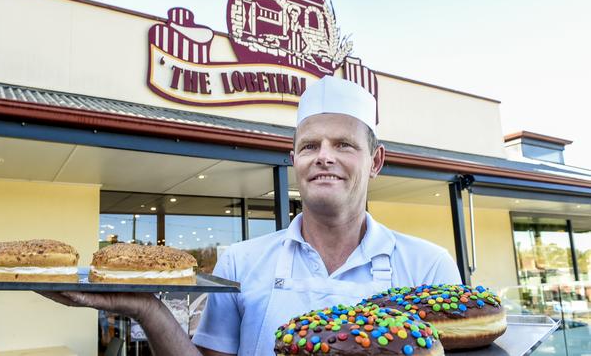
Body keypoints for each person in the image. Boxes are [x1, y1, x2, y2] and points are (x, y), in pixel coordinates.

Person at [40, 76, 461, 356]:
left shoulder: (429, 266)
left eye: (344, 145)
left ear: (376, 160)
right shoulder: (240, 261)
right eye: (310, 146)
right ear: (293, 158)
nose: (324, 158)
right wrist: (146, 307)